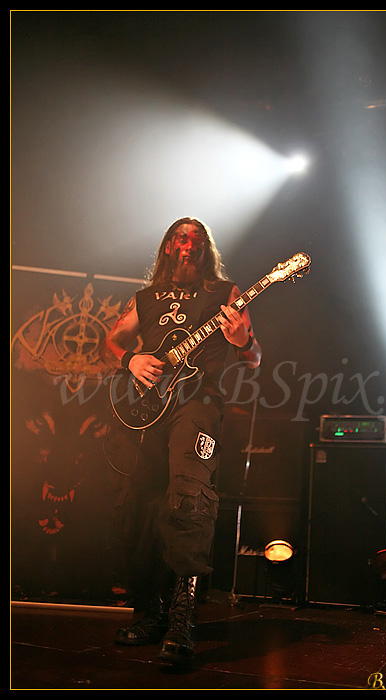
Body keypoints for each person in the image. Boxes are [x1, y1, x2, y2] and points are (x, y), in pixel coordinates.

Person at [100, 217, 262, 666]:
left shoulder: (225, 294)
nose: (188, 245)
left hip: (198, 406)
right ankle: (149, 614)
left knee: (188, 498)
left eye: (196, 239)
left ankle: (182, 620)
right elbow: (112, 340)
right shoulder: (146, 298)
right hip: (147, 411)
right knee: (139, 506)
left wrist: (241, 337)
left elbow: (254, 357)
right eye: (179, 238)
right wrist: (131, 361)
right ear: (168, 247)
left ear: (205, 250)